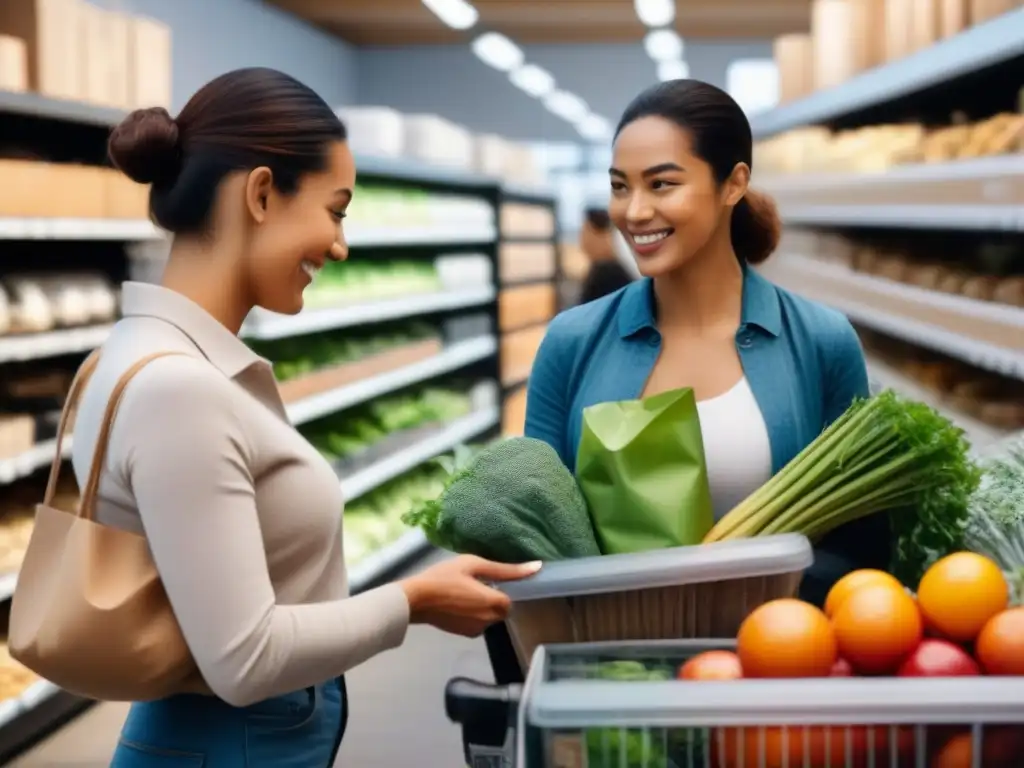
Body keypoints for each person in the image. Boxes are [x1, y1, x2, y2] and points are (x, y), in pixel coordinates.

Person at [73, 67, 539, 767]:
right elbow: (244, 660)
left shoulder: (155, 357)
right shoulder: (180, 391)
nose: (340, 243)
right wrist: (411, 602)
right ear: (261, 194)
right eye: (336, 209)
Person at [524, 79, 891, 608]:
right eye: (620, 186)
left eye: (662, 184)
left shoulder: (821, 341)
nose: (633, 211)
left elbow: (859, 546)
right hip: (611, 663)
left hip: (776, 660)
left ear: (733, 183)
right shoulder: (572, 341)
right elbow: (534, 530)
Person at [577, 207, 634, 304]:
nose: (583, 243)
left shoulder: (607, 274)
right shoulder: (617, 269)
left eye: (585, 235)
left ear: (605, 235)